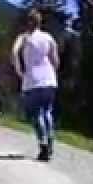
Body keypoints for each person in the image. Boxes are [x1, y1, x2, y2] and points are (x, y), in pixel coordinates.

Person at [12, 9, 61, 161]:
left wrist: (19, 69)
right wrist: (51, 71)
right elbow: (56, 61)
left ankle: (43, 145)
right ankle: (51, 140)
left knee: (36, 114)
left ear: (28, 22)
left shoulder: (24, 37)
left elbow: (14, 53)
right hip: (49, 79)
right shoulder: (48, 37)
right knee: (48, 112)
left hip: (32, 79)